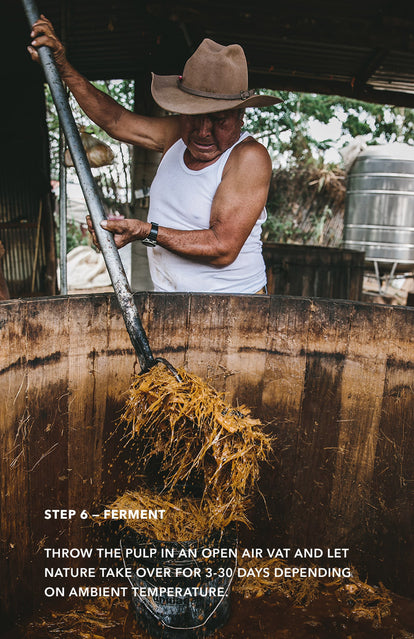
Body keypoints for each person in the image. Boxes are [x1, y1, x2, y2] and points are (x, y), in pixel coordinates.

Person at [28, 16, 282, 293]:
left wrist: (145, 232)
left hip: (235, 307)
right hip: (171, 303)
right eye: (193, 117)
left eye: (219, 120)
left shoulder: (248, 157)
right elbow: (115, 121)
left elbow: (222, 247)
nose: (203, 131)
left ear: (240, 116)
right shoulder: (174, 135)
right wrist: (63, 68)